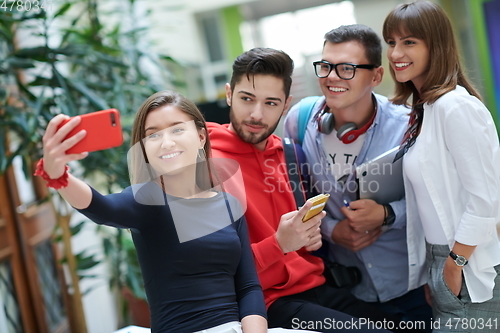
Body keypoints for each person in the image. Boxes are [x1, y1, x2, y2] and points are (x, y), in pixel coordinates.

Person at [34, 90, 316, 333]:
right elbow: (100, 207)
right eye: (152, 135)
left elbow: (248, 287)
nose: (166, 142)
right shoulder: (147, 200)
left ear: (201, 136)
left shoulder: (230, 204)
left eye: (177, 129)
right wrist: (57, 173)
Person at [208, 47, 413, 333]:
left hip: (318, 286)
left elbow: (303, 237)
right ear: (229, 94)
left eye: (270, 103)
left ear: (286, 104)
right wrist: (279, 243)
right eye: (246, 99)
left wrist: (311, 235)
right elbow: (207, 269)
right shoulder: (203, 160)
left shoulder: (291, 154)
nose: (256, 114)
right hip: (264, 303)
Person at [284, 24, 432, 329]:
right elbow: (290, 198)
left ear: (376, 76)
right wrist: (331, 229)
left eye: (347, 68)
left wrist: (389, 213)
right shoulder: (299, 123)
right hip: (346, 295)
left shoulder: (409, 126)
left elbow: (440, 199)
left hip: (414, 287)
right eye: (325, 66)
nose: (332, 77)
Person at [383, 1, 500, 331]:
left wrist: (455, 263)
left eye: (409, 42)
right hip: (443, 260)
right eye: (391, 42)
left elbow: (486, 198)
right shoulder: (426, 110)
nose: (395, 53)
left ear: (436, 45)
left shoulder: (455, 106)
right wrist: (435, 268)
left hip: (469, 261)